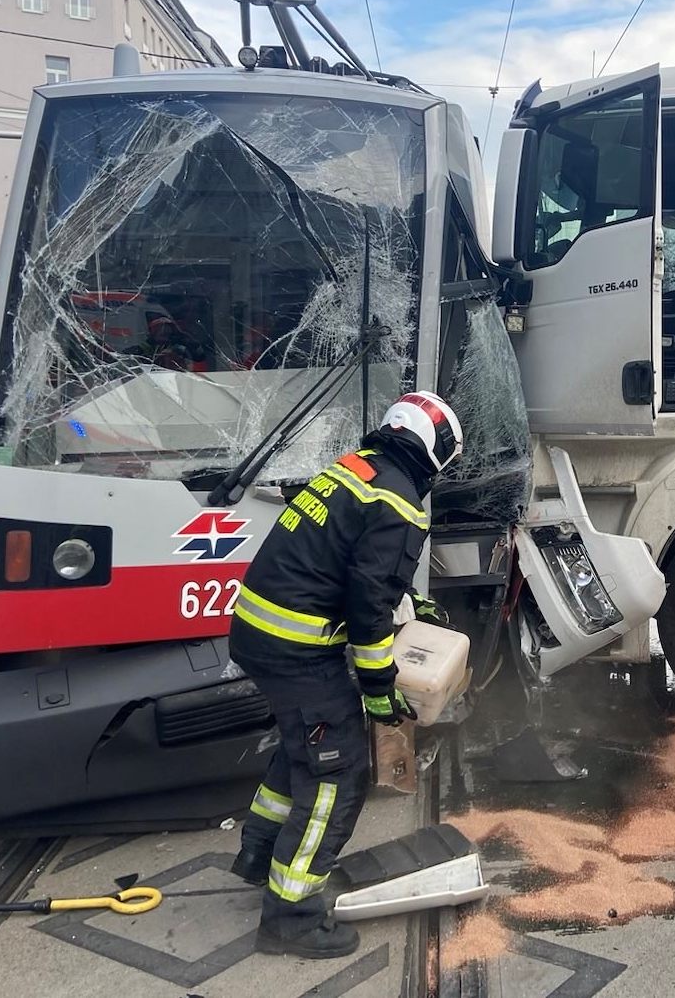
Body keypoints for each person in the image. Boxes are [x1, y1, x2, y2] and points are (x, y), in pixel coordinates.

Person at [227, 391, 464, 959]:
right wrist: (380, 690)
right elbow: (366, 605)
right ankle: (292, 916)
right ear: (437, 451)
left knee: (301, 750)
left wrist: (407, 600)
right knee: (339, 774)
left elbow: (350, 560)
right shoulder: (403, 502)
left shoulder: (352, 471)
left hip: (259, 635)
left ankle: (262, 857)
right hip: (298, 651)